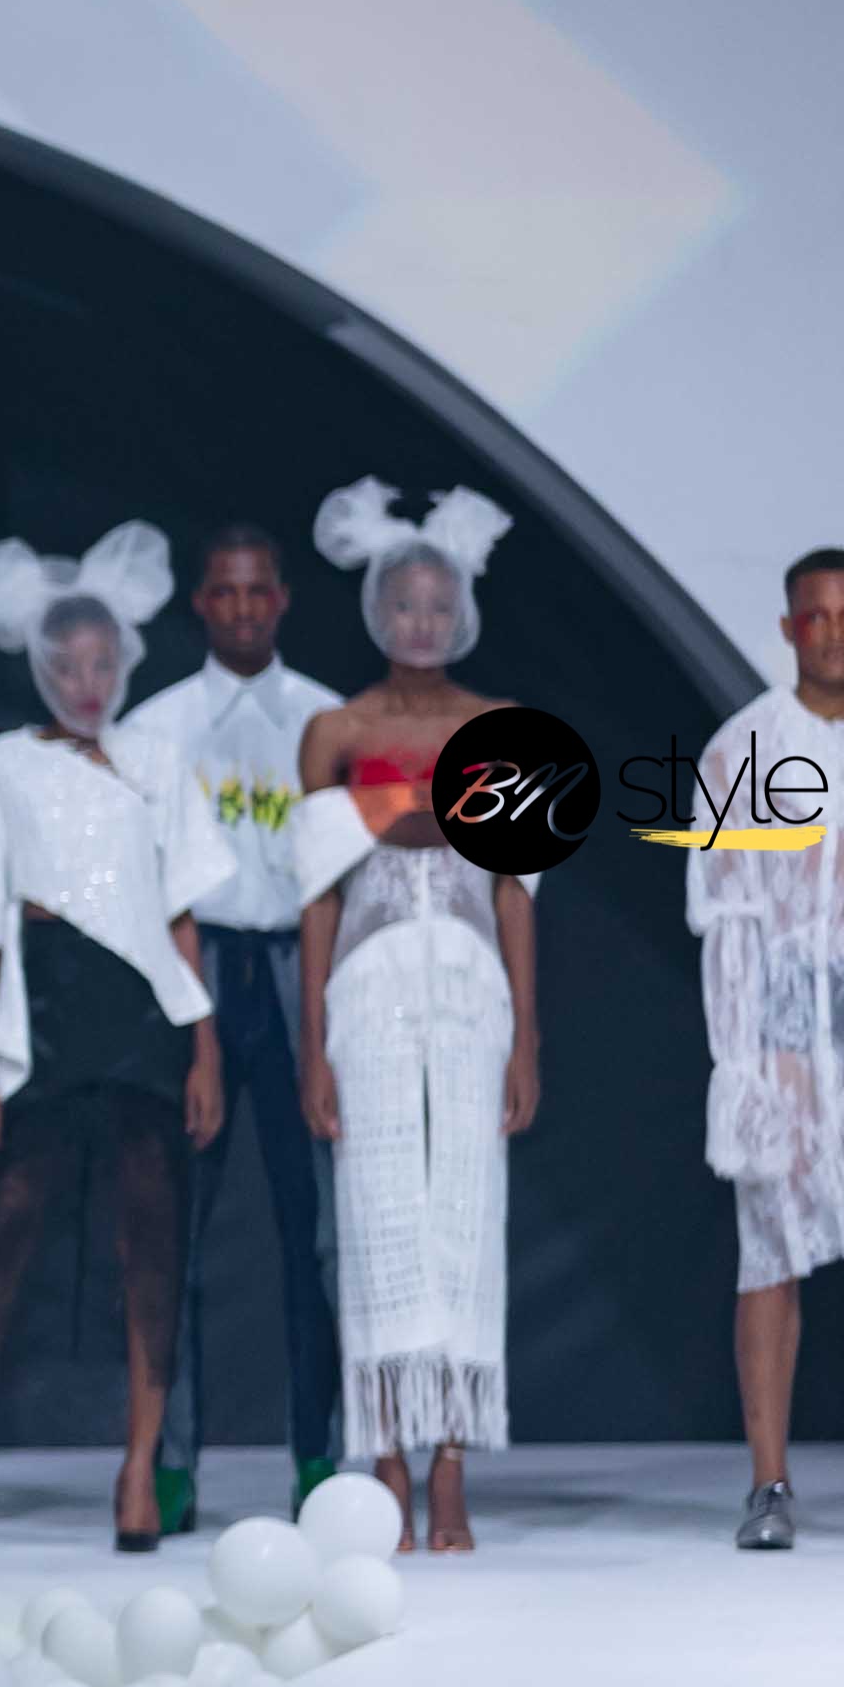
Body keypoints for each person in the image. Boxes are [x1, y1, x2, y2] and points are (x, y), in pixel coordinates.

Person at [0, 528, 225, 1555]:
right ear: (39, 666)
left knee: (153, 1236)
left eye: (102, 664)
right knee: (7, 1232)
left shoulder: (156, 762)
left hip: (143, 1012)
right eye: (68, 665)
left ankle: (138, 1468)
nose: (87, 683)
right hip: (44, 1009)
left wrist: (205, 1050)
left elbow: (182, 913)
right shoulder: (5, 764)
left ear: (126, 661)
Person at [293, 483, 533, 1554]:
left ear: (463, 611)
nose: (421, 622)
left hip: (473, 986)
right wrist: (312, 1046)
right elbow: (318, 895)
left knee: (466, 1218)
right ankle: (387, 1451)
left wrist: (528, 1034)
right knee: (379, 1210)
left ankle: (452, 1463)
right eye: (404, 603)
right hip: (370, 984)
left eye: (440, 604)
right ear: (375, 610)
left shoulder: (498, 728)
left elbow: (515, 887)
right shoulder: (337, 730)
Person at [114, 522, 346, 1523]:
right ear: (199, 604)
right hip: (195, 968)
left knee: (318, 1234)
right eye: (226, 592)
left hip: (302, 967)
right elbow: (141, 879)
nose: (244, 608)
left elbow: (347, 871)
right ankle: (169, 1462)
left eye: (260, 591)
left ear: (283, 599)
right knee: (175, 1232)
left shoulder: (327, 718)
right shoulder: (156, 726)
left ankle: (321, 1456)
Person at [688, 550, 844, 1551]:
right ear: (789, 628)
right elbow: (723, 913)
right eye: (813, 617)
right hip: (779, 1017)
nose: (831, 632)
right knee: (770, 1252)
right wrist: (741, 1056)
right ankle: (769, 1485)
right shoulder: (743, 747)